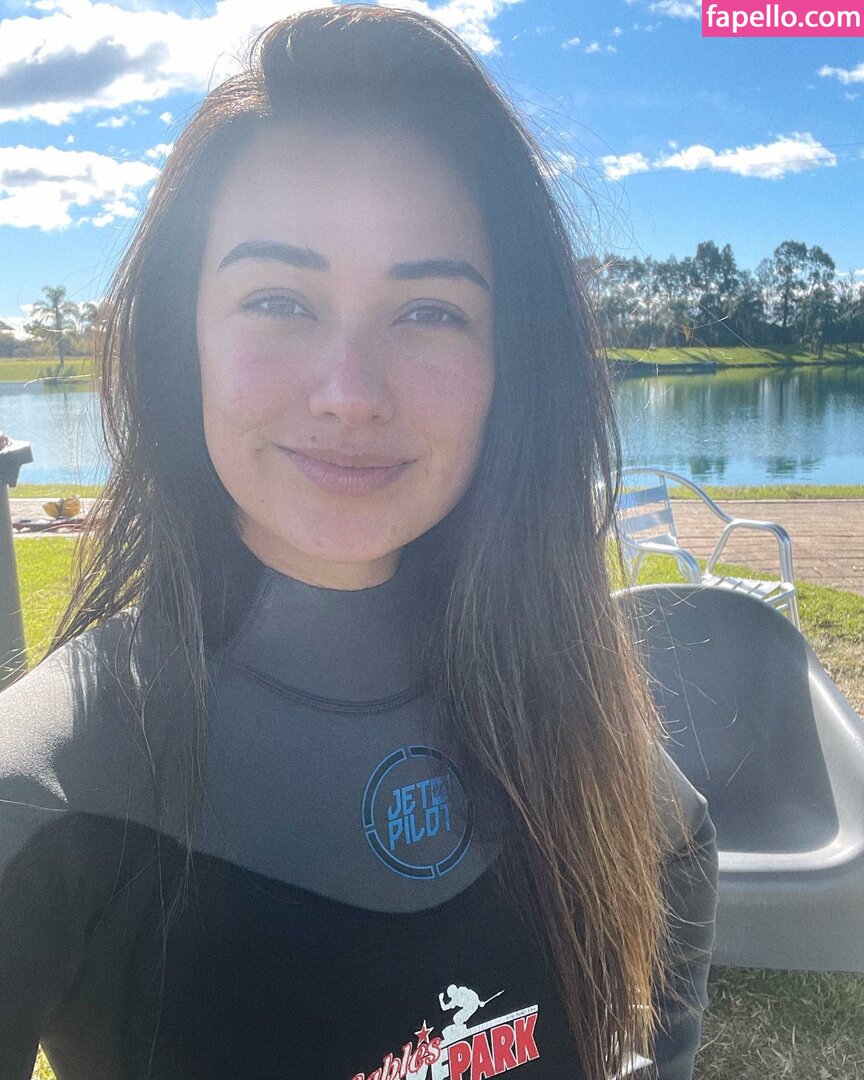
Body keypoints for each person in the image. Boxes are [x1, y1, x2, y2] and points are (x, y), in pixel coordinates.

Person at [0, 7, 717, 1079]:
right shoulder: (48, 789)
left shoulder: (570, 714)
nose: (349, 393)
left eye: (429, 312)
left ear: (511, 366)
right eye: (278, 299)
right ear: (180, 342)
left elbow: (676, 889)